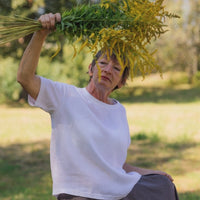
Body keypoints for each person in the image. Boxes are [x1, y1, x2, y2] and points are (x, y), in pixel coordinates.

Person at [17, 13, 179, 200]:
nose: (108, 69)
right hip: (81, 194)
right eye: (103, 63)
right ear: (90, 68)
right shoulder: (65, 96)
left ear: (121, 81)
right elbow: (25, 77)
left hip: (116, 191)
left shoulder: (119, 110)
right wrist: (41, 34)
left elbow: (115, 165)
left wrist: (149, 172)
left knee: (163, 186)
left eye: (116, 68)